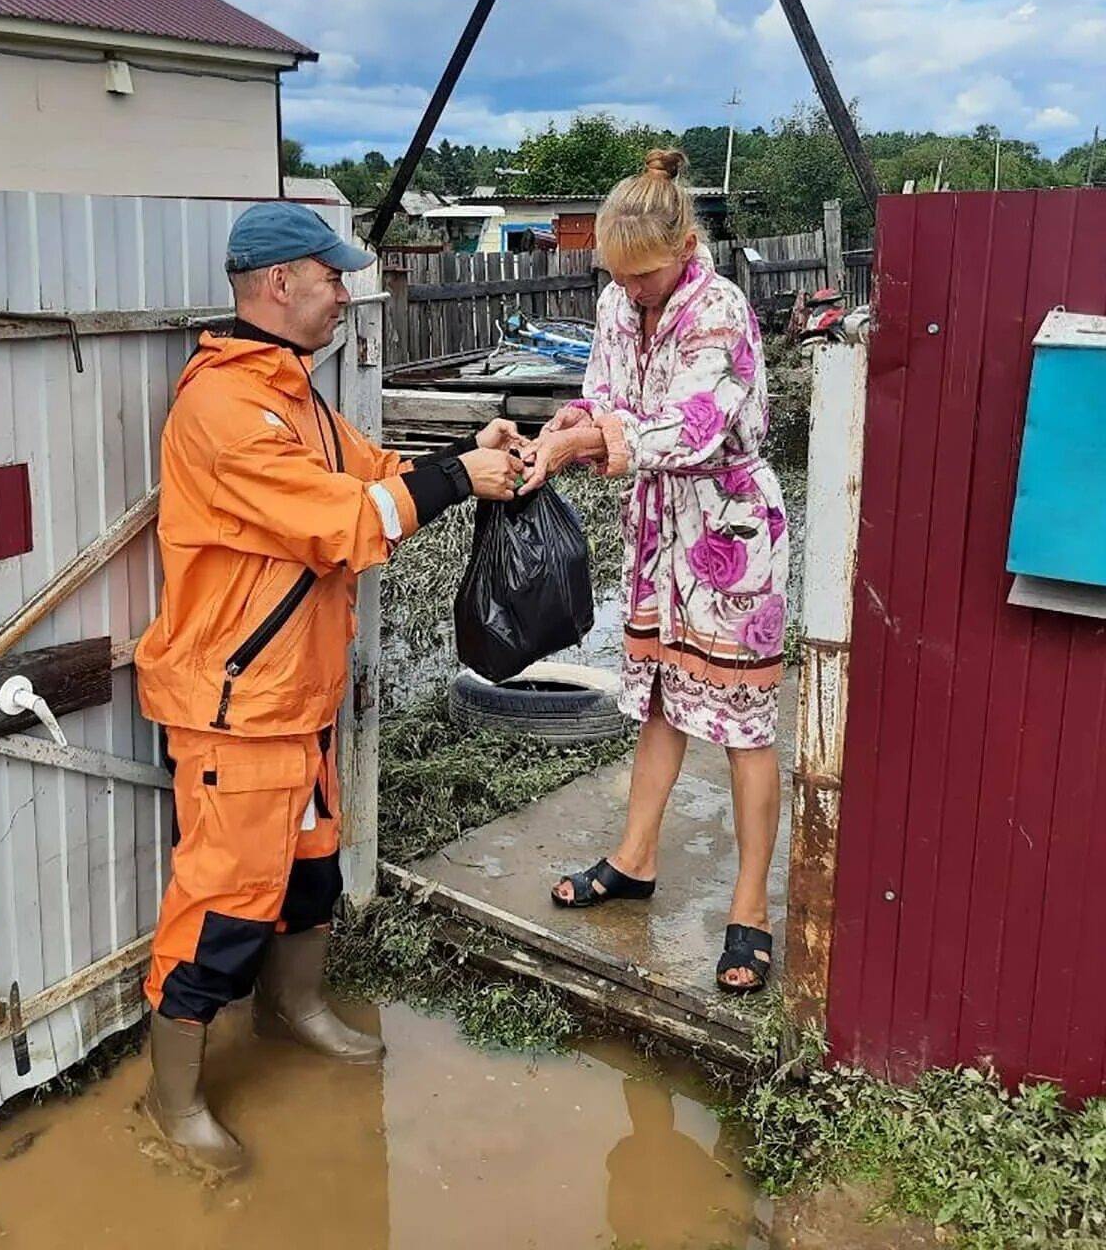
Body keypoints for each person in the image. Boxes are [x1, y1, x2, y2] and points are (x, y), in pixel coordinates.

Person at [133, 201, 523, 1173]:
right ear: (279, 284)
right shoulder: (224, 411)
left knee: (310, 874)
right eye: (333, 275)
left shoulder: (294, 397)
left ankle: (294, 1006)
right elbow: (344, 523)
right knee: (222, 904)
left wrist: (475, 460)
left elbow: (378, 474)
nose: (346, 292)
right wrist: (458, 481)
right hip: (237, 709)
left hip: (293, 702)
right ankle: (169, 1099)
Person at [523, 148, 788, 996]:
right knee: (662, 697)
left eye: (643, 275)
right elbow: (606, 395)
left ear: (683, 247)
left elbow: (696, 426)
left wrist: (593, 442)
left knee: (745, 723)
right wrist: (568, 425)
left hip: (730, 528)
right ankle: (635, 859)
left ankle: (749, 911)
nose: (631, 290)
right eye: (619, 275)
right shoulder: (614, 302)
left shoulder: (721, 310)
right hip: (654, 529)